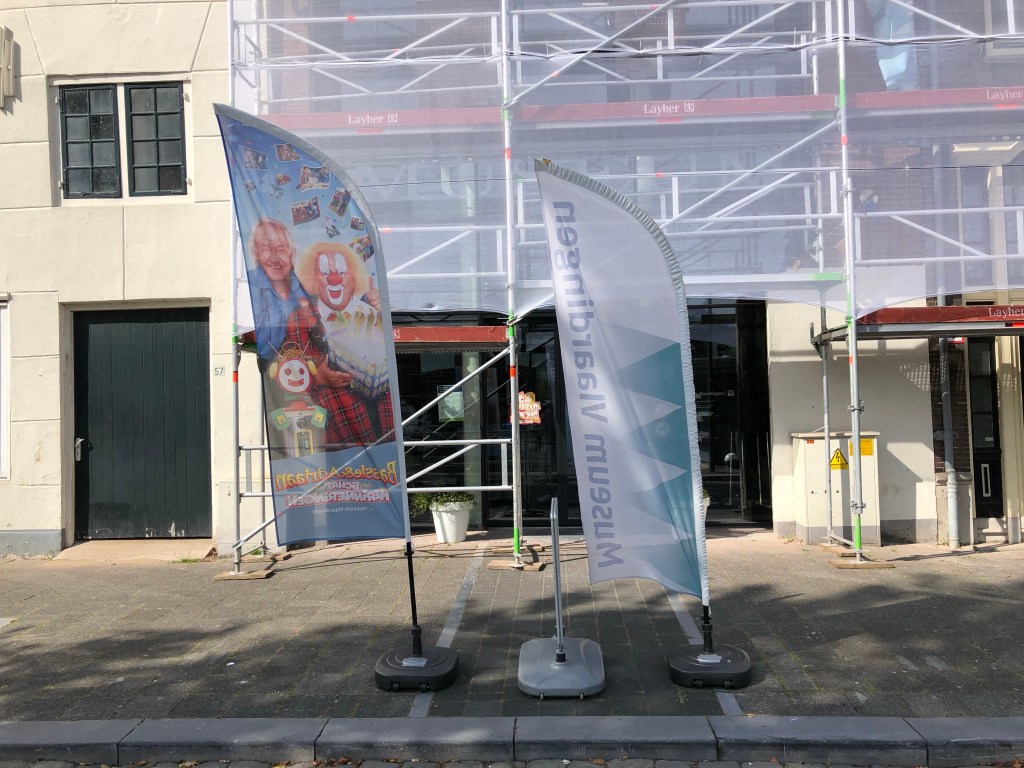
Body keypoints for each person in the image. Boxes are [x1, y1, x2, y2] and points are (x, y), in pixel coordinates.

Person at [283, 242, 393, 449]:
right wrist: (317, 377)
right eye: (325, 273)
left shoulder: (372, 313)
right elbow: (284, 375)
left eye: (342, 272)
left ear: (353, 278)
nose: (335, 279)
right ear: (314, 279)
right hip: (339, 436)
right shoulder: (299, 321)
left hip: (385, 430)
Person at [246, 217, 309, 363]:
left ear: (291, 254)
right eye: (266, 249)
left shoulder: (301, 285)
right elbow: (263, 344)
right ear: (256, 254)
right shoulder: (250, 285)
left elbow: (318, 332)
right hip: (271, 366)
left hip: (307, 365)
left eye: (280, 249)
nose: (274, 258)